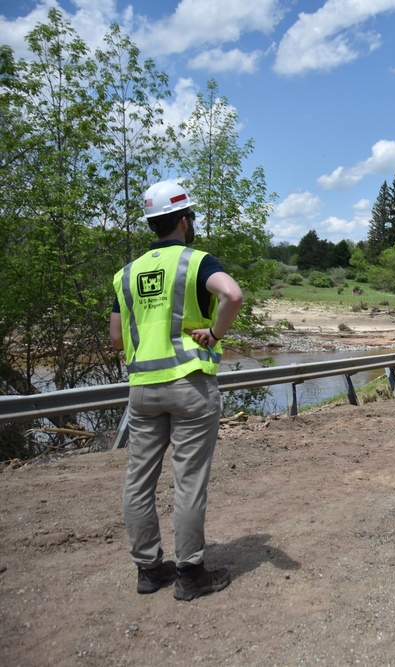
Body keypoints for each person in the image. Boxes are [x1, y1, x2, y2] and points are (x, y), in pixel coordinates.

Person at [110, 180, 243, 601]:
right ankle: (189, 574)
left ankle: (149, 570)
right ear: (185, 220)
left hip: (143, 391)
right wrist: (214, 332)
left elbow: (116, 338)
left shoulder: (125, 274)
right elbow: (232, 295)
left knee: (138, 481)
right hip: (189, 386)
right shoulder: (197, 262)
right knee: (188, 482)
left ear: (153, 223)